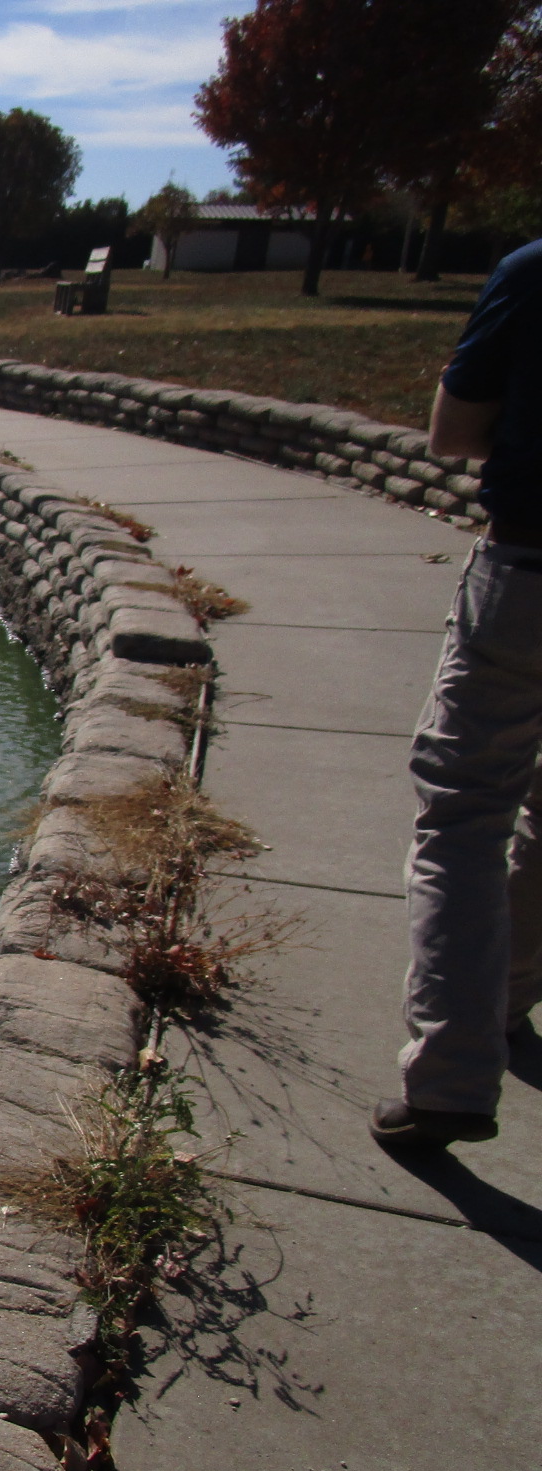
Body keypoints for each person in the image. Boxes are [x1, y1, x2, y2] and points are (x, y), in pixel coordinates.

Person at [379, 237, 542, 1152]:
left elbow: (454, 432)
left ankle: (450, 1076)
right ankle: (511, 997)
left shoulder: (533, 273)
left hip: (531, 572)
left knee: (467, 815)